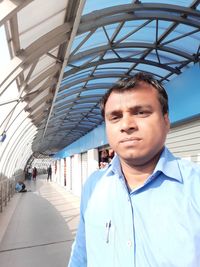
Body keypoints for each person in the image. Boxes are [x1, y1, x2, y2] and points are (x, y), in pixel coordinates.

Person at [68, 72, 200, 267]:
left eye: (141, 112)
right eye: (115, 117)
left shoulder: (194, 186)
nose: (126, 125)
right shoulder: (94, 185)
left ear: (166, 121)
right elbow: (81, 255)